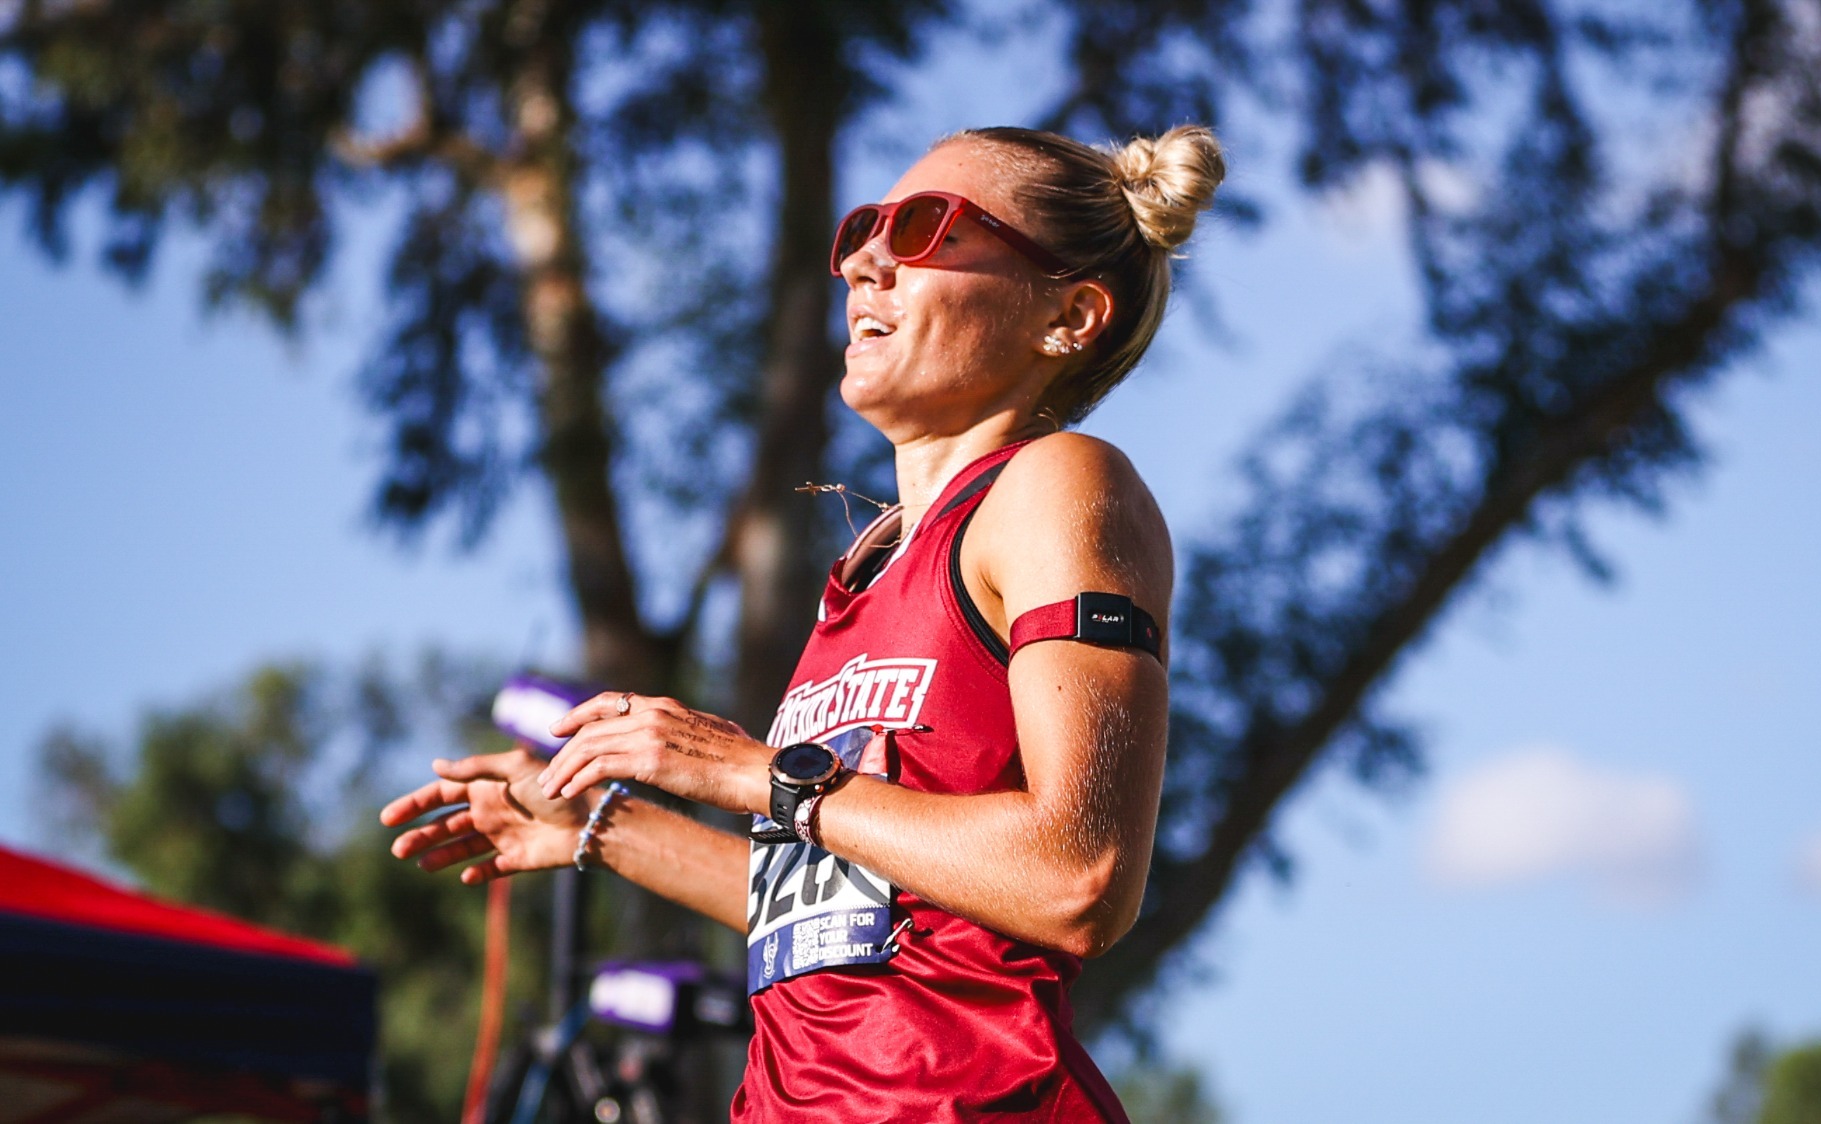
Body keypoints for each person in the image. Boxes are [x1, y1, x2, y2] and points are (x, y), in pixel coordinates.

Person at [381, 123, 1226, 1123]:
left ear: (1069, 314)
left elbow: (1074, 873)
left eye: (925, 228)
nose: (866, 260)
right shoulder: (868, 570)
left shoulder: (1057, 483)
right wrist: (602, 827)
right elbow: (854, 912)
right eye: (863, 228)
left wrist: (755, 771)